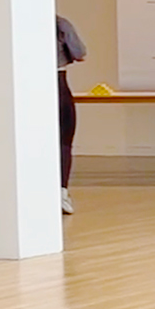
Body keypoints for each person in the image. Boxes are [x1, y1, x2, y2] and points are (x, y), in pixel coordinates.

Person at [56, 15, 87, 215]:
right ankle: (60, 192)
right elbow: (79, 52)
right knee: (63, 140)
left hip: (23, 85)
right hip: (57, 81)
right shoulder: (58, 22)